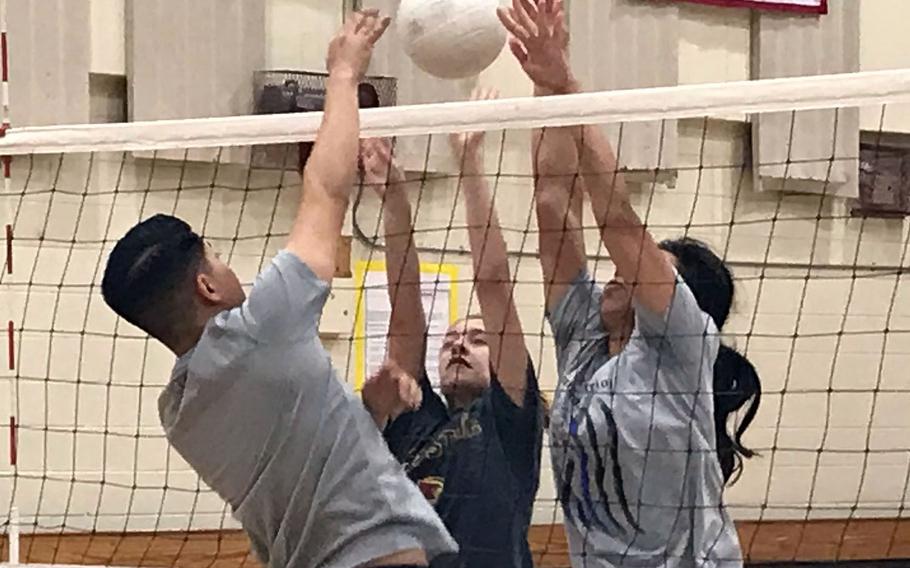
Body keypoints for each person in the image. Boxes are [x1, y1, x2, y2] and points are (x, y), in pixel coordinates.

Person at [100, 11, 457, 568]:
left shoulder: (179, 415)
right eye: (217, 258)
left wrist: (367, 409)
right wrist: (343, 74)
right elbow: (326, 192)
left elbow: (302, 466)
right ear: (206, 287)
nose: (226, 268)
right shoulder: (261, 329)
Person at [498, 0, 762, 566]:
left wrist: (571, 85)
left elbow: (617, 218)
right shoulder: (586, 336)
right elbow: (551, 202)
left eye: (644, 270)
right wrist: (545, 87)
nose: (620, 271)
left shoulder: (680, 345)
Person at [357, 88, 544, 568]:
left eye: (478, 340)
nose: (459, 344)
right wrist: (395, 204)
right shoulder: (415, 413)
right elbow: (404, 303)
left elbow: (493, 282)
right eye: (450, 340)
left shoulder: (509, 419)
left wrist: (469, 163)